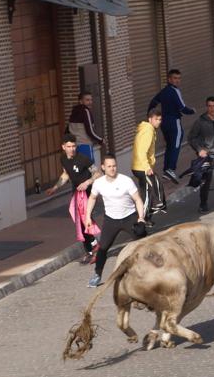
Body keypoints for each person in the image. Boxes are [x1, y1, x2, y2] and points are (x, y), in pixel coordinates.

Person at [85, 154, 146, 287]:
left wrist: (141, 218)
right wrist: (87, 216)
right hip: (111, 220)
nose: (112, 169)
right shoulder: (99, 183)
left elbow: (138, 200)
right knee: (103, 248)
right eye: (109, 166)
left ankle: (153, 271)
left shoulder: (126, 180)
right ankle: (97, 275)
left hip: (129, 217)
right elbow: (92, 198)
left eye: (114, 166)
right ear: (103, 167)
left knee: (145, 243)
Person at [45, 134, 101, 265]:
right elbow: (65, 174)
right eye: (69, 146)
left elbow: (98, 173)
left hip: (87, 194)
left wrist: (88, 182)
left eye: (74, 146)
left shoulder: (83, 159)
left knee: (84, 220)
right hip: (76, 193)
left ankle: (95, 247)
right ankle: (93, 248)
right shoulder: (63, 158)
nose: (72, 149)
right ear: (63, 147)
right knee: (79, 223)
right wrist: (55, 187)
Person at [147, 69, 196, 183]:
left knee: (169, 146)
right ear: (169, 79)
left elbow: (153, 102)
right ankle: (171, 169)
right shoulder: (175, 91)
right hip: (174, 122)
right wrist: (192, 111)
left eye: (179, 78)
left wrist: (150, 116)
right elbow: (182, 108)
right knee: (175, 146)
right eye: (175, 78)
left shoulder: (164, 91)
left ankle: (166, 170)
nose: (177, 81)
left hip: (164, 123)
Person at [131, 109, 165, 227]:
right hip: (142, 168)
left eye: (160, 119)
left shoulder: (148, 129)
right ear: (150, 119)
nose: (159, 122)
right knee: (147, 194)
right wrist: (147, 167)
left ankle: (146, 218)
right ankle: (142, 220)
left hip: (140, 167)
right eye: (156, 119)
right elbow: (141, 151)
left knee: (148, 193)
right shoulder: (148, 131)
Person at [67, 92, 103, 162]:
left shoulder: (74, 112)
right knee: (91, 168)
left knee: (77, 168)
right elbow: (90, 131)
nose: (90, 102)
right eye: (87, 100)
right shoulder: (86, 111)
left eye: (91, 100)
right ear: (81, 101)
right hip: (84, 145)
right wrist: (100, 140)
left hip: (74, 146)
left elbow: (68, 130)